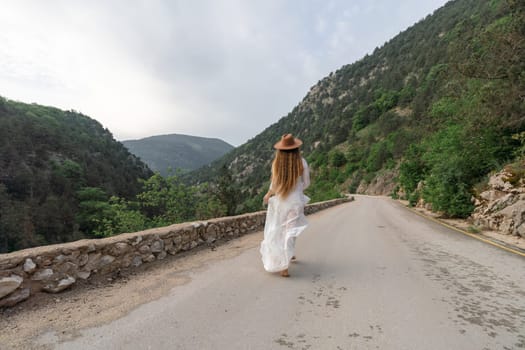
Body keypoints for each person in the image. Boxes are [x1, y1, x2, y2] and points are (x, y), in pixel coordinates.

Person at [260, 133, 310, 277]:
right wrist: (297, 189)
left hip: (281, 202)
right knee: (290, 231)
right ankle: (286, 260)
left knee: (279, 231)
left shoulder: (277, 163)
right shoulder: (302, 162)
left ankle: (285, 262)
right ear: (296, 148)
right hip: (295, 202)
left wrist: (269, 194)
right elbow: (306, 183)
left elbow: (274, 184)